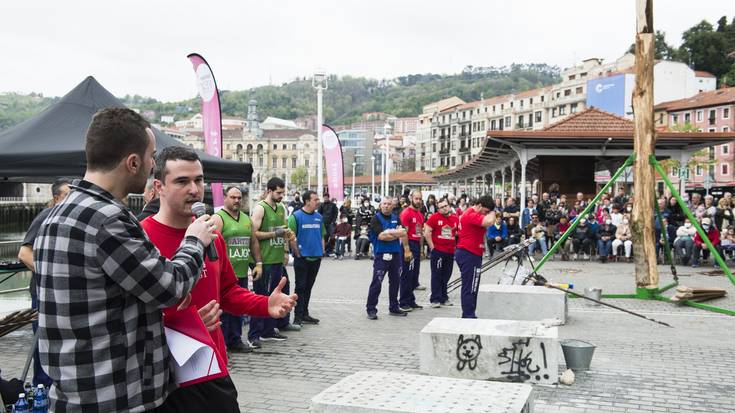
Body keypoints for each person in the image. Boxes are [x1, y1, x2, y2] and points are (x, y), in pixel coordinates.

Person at [33, 107, 217, 412]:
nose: (151, 166)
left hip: (73, 391)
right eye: (150, 157)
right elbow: (169, 286)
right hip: (116, 397)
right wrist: (195, 240)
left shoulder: (56, 215)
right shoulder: (106, 220)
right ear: (133, 163)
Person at [141, 147, 296, 413]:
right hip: (164, 376)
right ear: (159, 186)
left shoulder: (212, 236)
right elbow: (129, 314)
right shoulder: (141, 238)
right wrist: (185, 326)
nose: (194, 189)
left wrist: (264, 305)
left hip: (212, 366)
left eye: (199, 180)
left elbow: (225, 292)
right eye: (182, 181)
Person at [17, 177, 71, 389]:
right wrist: (53, 276)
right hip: (43, 293)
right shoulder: (47, 216)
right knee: (43, 343)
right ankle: (42, 390)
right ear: (56, 198)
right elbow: (24, 253)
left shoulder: (69, 218)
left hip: (61, 295)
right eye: (67, 195)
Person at [211, 186, 263, 353]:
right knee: (223, 311)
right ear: (225, 198)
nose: (236, 201)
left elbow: (253, 242)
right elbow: (210, 243)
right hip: (223, 274)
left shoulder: (246, 219)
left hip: (240, 273)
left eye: (239, 198)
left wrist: (259, 263)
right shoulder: (218, 218)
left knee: (238, 309)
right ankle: (222, 344)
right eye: (233, 197)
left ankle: (235, 340)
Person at [249, 177, 298, 347]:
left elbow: (283, 231)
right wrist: (274, 234)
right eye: (278, 193)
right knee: (261, 296)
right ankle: (255, 334)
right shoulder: (260, 208)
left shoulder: (281, 208)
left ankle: (269, 330)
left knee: (275, 295)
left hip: (277, 259)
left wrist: (285, 249)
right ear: (269, 190)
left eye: (283, 193)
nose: (281, 196)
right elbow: (253, 234)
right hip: (265, 259)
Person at [366, 197, 412, 319]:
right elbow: (381, 237)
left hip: (396, 254)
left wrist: (406, 248)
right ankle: (371, 309)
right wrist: (396, 234)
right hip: (381, 255)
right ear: (380, 205)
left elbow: (404, 233)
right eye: (384, 204)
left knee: (395, 282)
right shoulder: (376, 219)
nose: (386, 206)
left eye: (389, 204)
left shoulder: (396, 218)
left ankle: (394, 307)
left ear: (393, 206)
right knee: (377, 282)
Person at [288, 190, 325, 326]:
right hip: (302, 258)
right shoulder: (295, 217)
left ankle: (305, 314)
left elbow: (321, 235)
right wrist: (297, 253)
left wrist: (322, 251)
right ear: (307, 201)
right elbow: (291, 237)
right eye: (315, 199)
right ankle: (297, 316)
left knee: (308, 286)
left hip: (316, 257)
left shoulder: (319, 217)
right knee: (300, 287)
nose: (318, 202)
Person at [455, 196, 496, 318]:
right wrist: (493, 212)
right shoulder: (471, 214)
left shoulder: (474, 213)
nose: (487, 214)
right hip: (468, 253)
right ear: (478, 206)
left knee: (473, 284)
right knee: (470, 285)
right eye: (486, 211)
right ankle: (468, 314)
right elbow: (489, 222)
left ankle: (469, 312)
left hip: (473, 253)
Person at [424, 198, 459, 308]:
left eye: (445, 206)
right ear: (438, 209)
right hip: (438, 251)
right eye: (441, 207)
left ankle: (444, 297)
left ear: (449, 206)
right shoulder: (434, 217)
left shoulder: (455, 218)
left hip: (450, 252)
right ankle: (435, 298)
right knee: (437, 275)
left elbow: (457, 232)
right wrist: (432, 247)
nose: (444, 208)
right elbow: (427, 232)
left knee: (446, 275)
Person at [398, 191, 426, 312]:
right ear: (411, 198)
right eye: (416, 199)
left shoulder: (420, 214)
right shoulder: (406, 213)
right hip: (408, 245)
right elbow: (404, 233)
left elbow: (420, 233)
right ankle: (403, 301)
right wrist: (406, 250)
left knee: (414, 275)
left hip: (416, 245)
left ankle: (411, 300)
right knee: (406, 275)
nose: (418, 201)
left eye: (420, 199)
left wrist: (420, 250)